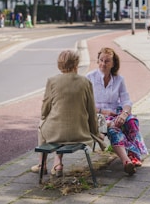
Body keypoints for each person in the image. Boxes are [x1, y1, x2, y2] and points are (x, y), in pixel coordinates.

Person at [31, 49, 104, 177]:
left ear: (60, 64)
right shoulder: (85, 82)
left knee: (43, 123)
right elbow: (91, 112)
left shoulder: (52, 81)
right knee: (62, 123)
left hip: (56, 134)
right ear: (76, 64)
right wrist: (96, 133)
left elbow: (45, 110)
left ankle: (42, 165)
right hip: (79, 133)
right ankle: (57, 163)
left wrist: (45, 116)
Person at [86, 47, 148, 176]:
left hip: (116, 112)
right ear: (97, 61)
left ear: (113, 63)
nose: (103, 63)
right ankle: (127, 161)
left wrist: (124, 114)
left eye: (107, 61)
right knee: (114, 129)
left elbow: (126, 101)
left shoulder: (119, 79)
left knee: (131, 122)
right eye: (101, 60)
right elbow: (84, 103)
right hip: (98, 115)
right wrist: (104, 112)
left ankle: (134, 155)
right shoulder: (89, 78)